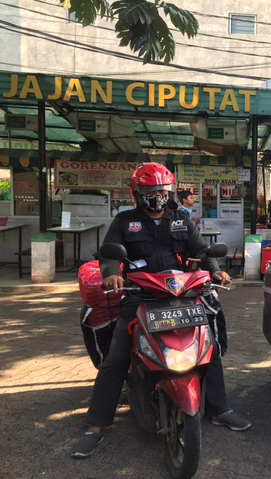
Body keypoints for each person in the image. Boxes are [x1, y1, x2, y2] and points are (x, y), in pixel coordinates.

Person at [71, 163, 250, 459]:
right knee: (117, 357)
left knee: (210, 349)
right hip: (139, 296)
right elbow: (109, 252)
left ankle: (220, 409)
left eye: (163, 191)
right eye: (150, 192)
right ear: (137, 193)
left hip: (180, 296)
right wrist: (112, 274)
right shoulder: (125, 221)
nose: (157, 197)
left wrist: (216, 272)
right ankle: (96, 426)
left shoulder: (181, 220)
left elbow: (201, 252)